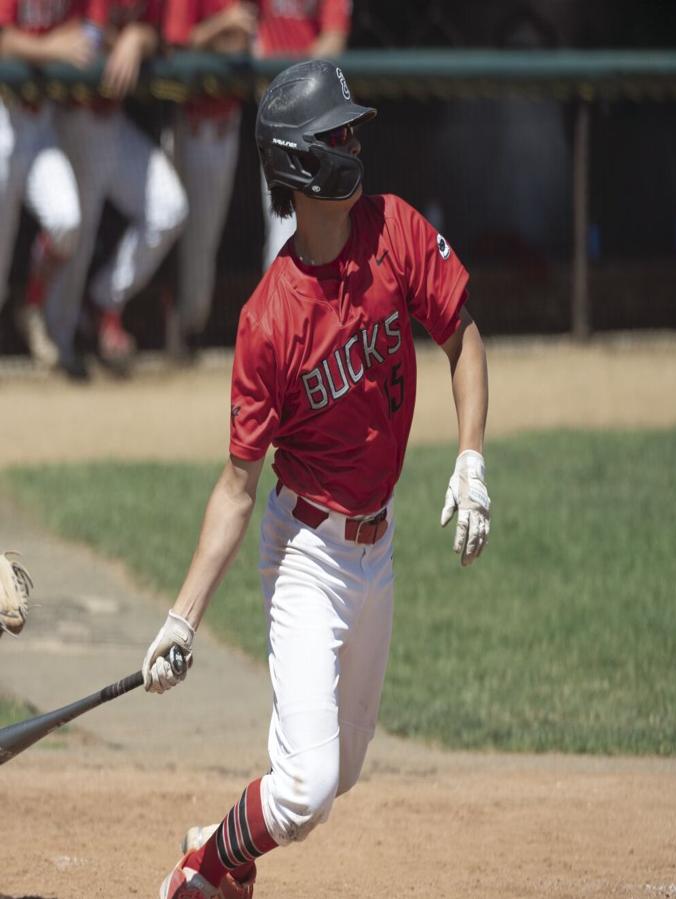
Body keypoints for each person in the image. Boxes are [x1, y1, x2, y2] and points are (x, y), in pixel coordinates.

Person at [142, 60, 491, 899]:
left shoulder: (395, 230)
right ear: (301, 165)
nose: (355, 142)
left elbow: (463, 334)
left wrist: (471, 457)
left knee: (337, 776)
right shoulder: (269, 319)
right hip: (306, 554)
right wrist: (180, 619)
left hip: (379, 549)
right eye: (337, 134)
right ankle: (204, 869)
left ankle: (220, 837)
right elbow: (236, 485)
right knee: (305, 787)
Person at [44, 0, 187, 376]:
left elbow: (170, 40)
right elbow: (79, 33)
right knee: (74, 230)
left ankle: (103, 300)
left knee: (169, 208)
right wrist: (118, 38)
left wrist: (140, 37)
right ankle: (54, 343)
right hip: (70, 119)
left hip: (113, 123)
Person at [163, 0, 257, 360]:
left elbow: (246, 43)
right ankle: (173, 333)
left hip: (225, 123)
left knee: (202, 246)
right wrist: (222, 27)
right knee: (178, 231)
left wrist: (223, 35)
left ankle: (187, 334)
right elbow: (176, 45)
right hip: (189, 124)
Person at [0, 0, 86, 369]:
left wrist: (49, 44)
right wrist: (52, 48)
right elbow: (3, 42)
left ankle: (31, 306)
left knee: (66, 221)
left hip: (41, 123)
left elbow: (86, 35)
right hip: (4, 114)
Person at [254, 0, 352, 270]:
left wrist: (291, 85)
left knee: (324, 226)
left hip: (318, 118)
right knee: (284, 226)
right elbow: (244, 24)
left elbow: (334, 39)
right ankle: (277, 312)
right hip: (274, 117)